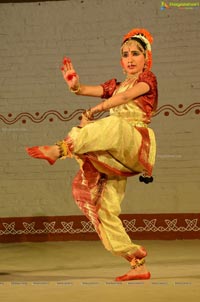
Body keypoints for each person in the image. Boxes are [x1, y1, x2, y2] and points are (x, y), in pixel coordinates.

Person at [26, 28, 158, 281]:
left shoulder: (147, 80)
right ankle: (136, 260)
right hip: (113, 151)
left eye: (136, 54)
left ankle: (60, 149)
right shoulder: (115, 85)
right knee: (97, 204)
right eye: (125, 54)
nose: (130, 58)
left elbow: (126, 97)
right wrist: (75, 86)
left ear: (146, 58)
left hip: (133, 140)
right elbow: (89, 89)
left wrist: (97, 109)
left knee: (112, 123)